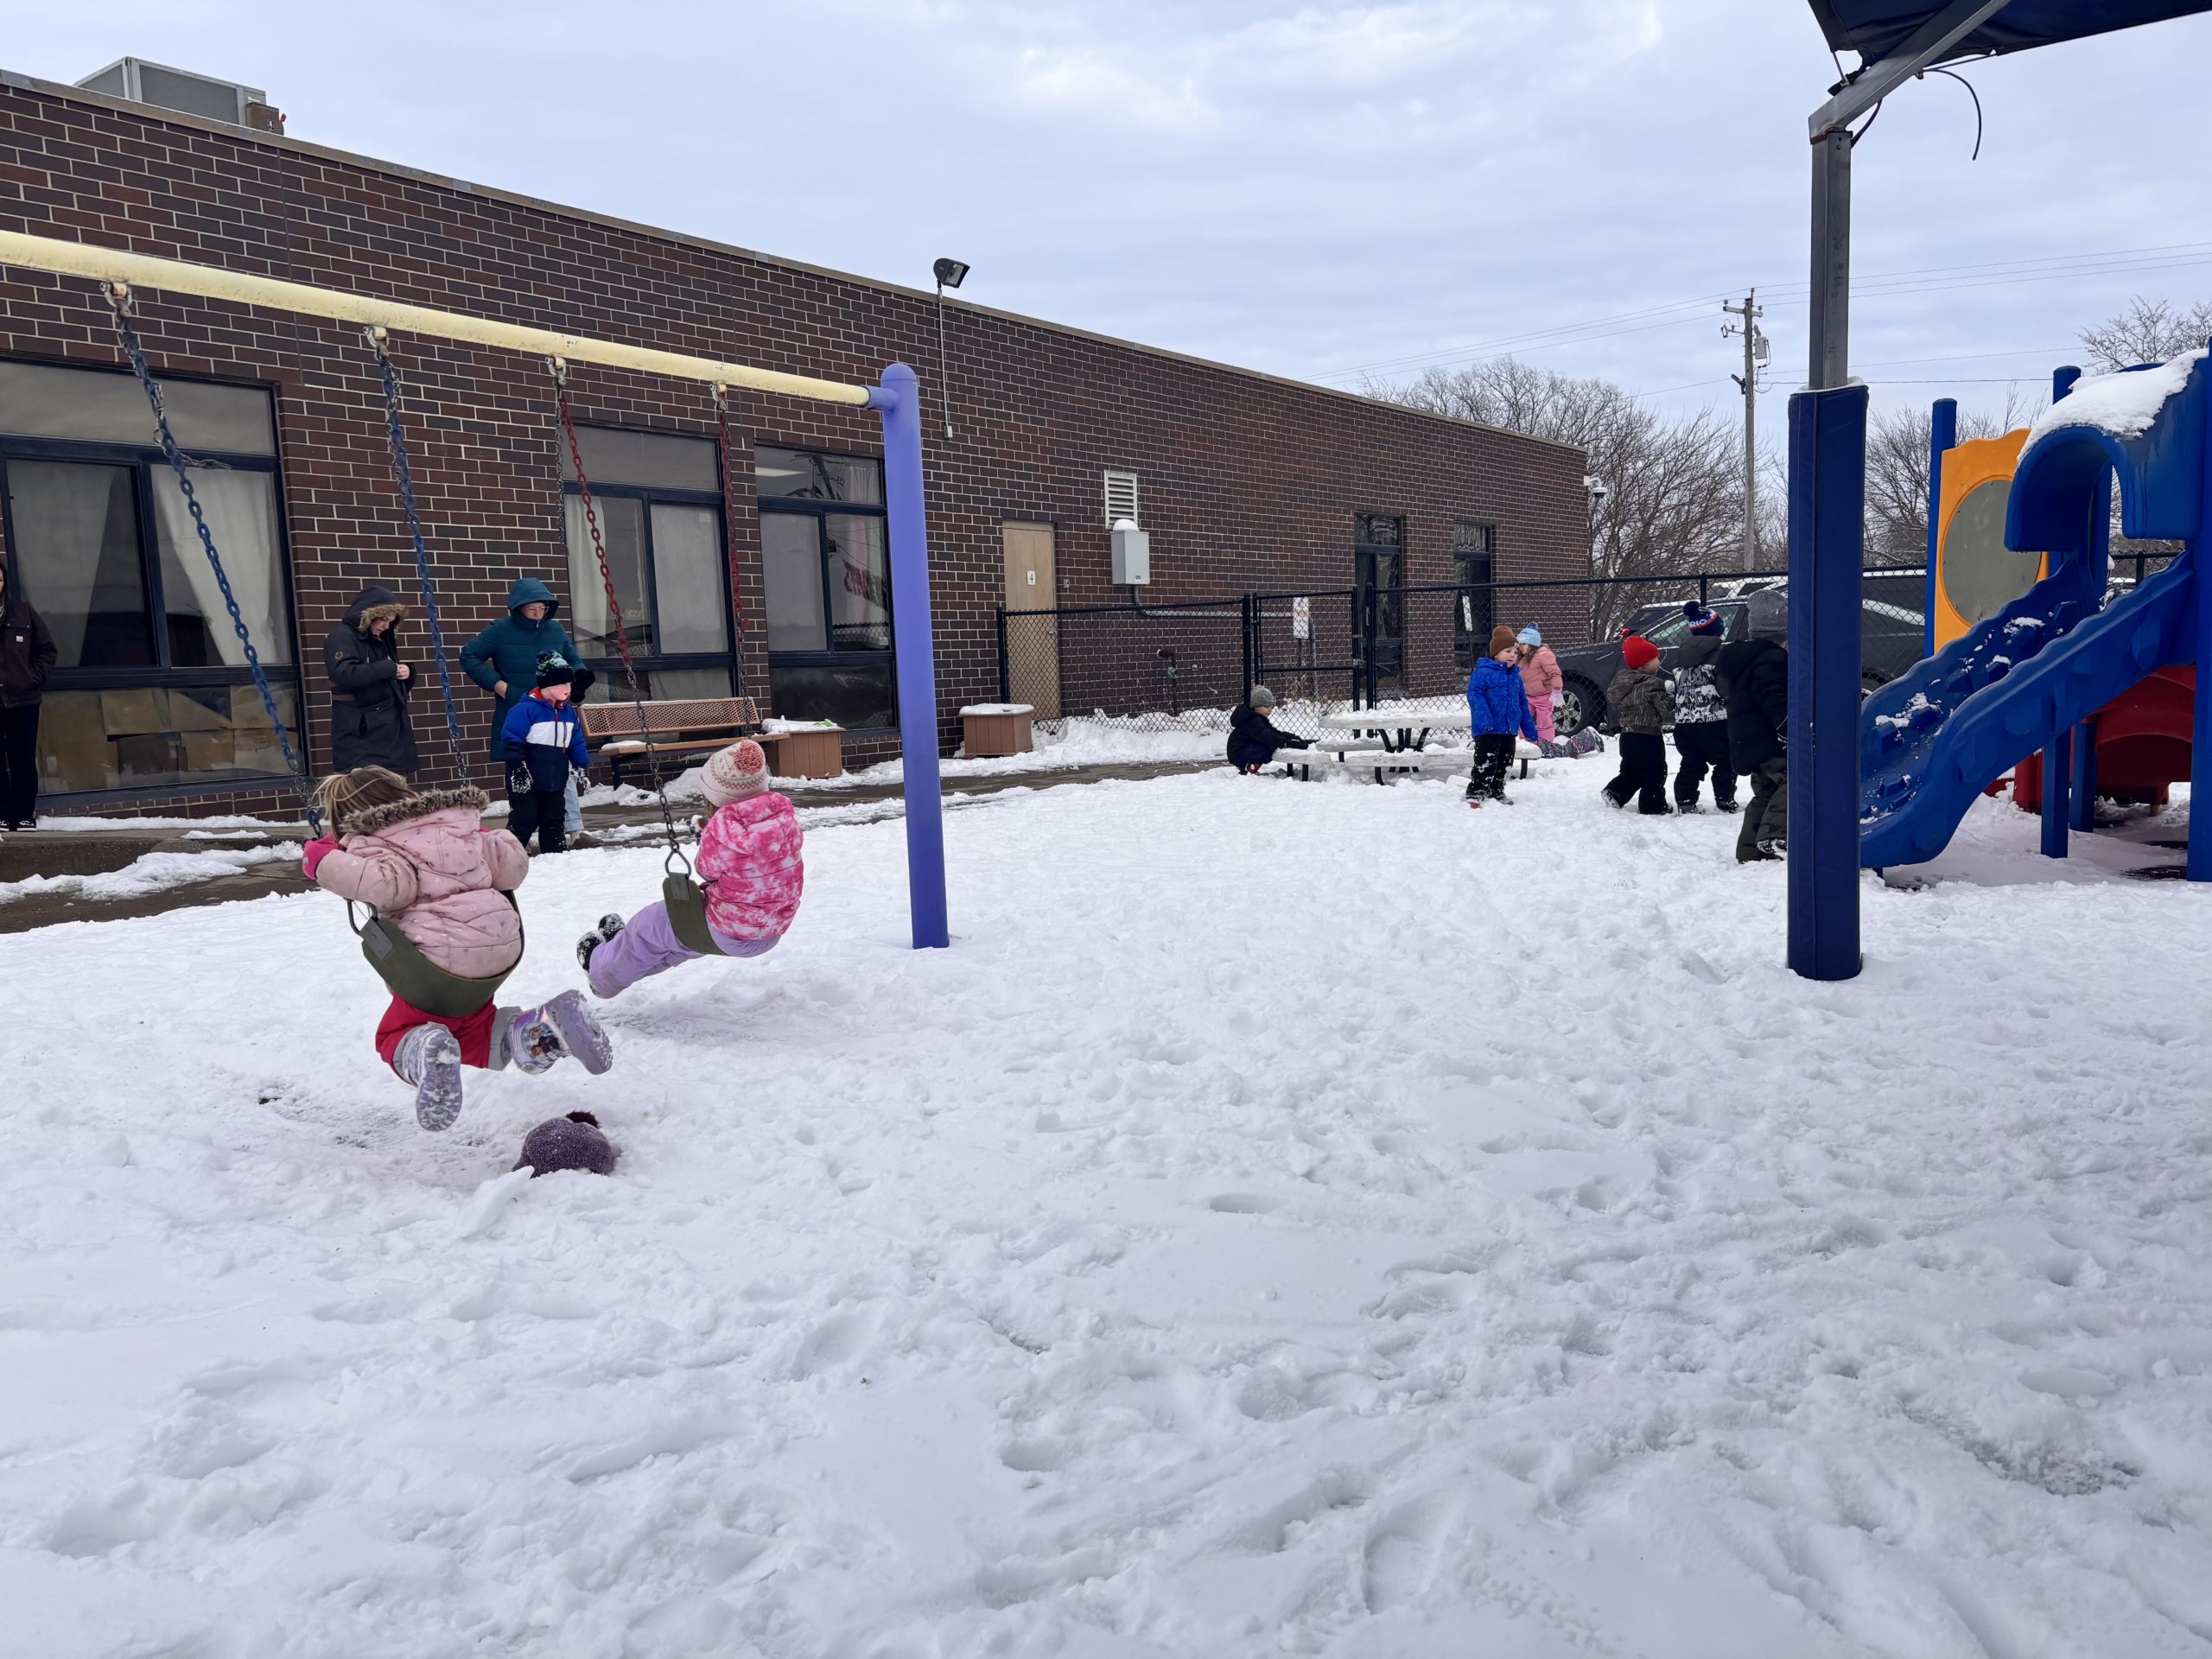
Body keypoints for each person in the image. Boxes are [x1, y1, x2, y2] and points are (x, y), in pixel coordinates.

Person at [300, 766, 613, 1131]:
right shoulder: (458, 828)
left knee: (397, 1035)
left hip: (439, 960)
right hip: (501, 944)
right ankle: (550, 1027)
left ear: (349, 824)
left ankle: (425, 1052)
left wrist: (323, 858)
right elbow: (512, 869)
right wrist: (482, 836)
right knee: (475, 1030)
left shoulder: (373, 842)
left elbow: (389, 888)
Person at [576, 740, 804, 997]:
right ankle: (618, 948)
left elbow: (706, 870)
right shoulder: (783, 819)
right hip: (772, 928)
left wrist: (709, 838)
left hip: (730, 930)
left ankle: (601, 972)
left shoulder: (723, 831)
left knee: (650, 925)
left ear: (718, 796)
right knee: (676, 944)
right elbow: (752, 857)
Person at [461, 577, 588, 833]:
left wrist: (580, 677)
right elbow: (469, 655)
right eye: (532, 609)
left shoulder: (555, 630)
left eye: (542, 608)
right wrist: (499, 685)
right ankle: (522, 832)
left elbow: (572, 659)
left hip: (553, 709)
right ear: (519, 608)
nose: (538, 614)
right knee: (520, 768)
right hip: (518, 707)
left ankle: (573, 828)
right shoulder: (500, 630)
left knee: (560, 765)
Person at [323, 584, 420, 777]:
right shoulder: (342, 637)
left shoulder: (381, 638)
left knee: (391, 783)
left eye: (391, 621)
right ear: (368, 615)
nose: (386, 626)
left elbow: (385, 677)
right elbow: (344, 674)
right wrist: (388, 668)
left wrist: (407, 672)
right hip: (362, 732)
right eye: (383, 619)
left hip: (387, 728)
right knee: (369, 785)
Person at [502, 656, 588, 854]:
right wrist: (518, 767)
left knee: (554, 818)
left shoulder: (568, 713)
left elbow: (576, 742)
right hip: (527, 777)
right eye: (562, 684)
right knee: (525, 818)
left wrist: (581, 764)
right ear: (547, 686)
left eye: (569, 683)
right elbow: (512, 741)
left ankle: (555, 853)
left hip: (555, 777)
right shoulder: (525, 710)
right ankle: (509, 852)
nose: (568, 688)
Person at [1718, 634, 1789, 861]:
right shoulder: (1772, 658)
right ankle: (1774, 835)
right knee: (1795, 780)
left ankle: (1749, 851)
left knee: (1766, 792)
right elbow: (1772, 695)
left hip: (1750, 742)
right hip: (1769, 740)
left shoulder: (1747, 661)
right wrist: (1787, 725)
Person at [0, 561, 57, 831]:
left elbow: (46, 651)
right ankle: (2, 813)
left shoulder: (23, 613)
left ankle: (24, 814)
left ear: (4, 582)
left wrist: (32, 679)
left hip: (23, 700)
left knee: (22, 758)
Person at [1669, 603, 1736, 813]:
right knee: (1727, 760)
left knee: (1691, 762)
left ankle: (1685, 800)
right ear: (1717, 631)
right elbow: (1724, 689)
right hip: (1715, 722)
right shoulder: (1720, 657)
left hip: (1685, 724)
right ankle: (1725, 798)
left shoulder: (1680, 660)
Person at [1603, 635, 1674, 815]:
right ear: (1645, 663)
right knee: (1655, 771)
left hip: (1627, 735)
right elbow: (1665, 706)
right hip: (1648, 737)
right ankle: (1653, 806)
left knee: (1632, 770)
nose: (1659, 662)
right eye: (1656, 658)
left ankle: (1615, 792)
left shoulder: (1623, 683)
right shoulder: (1653, 684)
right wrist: (1671, 694)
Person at [1465, 636, 1540, 805]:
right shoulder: (1484, 672)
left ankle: (1497, 790)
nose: (1513, 655)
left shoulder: (1516, 677)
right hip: (1488, 729)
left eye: (1516, 652)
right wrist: (1484, 717)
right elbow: (1474, 694)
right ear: (1496, 653)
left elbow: (1522, 703)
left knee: (1505, 763)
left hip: (1508, 729)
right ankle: (1477, 791)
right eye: (1508, 651)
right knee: (1486, 762)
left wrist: (1529, 728)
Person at [1226, 685, 1311, 772]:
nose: (1270, 710)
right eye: (1266, 707)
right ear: (1256, 706)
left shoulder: (1256, 718)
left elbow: (1272, 731)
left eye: (1271, 707)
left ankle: (1249, 765)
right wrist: (1285, 742)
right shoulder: (1251, 721)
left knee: (1272, 744)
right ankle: (1249, 767)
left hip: (1244, 750)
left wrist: (1291, 737)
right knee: (1270, 747)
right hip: (1239, 754)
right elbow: (1266, 736)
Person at [1514, 625, 1563, 746]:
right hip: (1527, 696)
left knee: (1544, 721)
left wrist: (1557, 689)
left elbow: (1554, 672)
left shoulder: (1544, 655)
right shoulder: (1520, 658)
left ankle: (1546, 744)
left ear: (1532, 644)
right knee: (1524, 719)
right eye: (1520, 644)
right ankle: (1526, 743)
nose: (1521, 647)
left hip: (1544, 696)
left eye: (1524, 644)